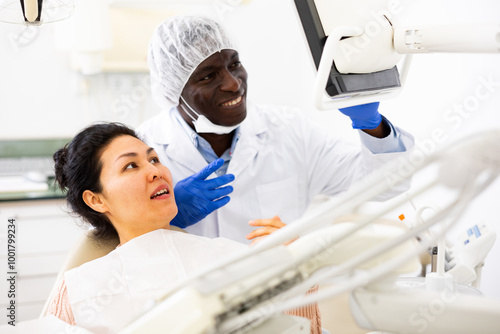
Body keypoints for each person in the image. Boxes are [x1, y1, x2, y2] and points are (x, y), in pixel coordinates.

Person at [137, 15, 415, 244]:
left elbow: (384, 186)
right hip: (193, 306)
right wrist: (166, 219)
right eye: (208, 76)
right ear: (175, 90)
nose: (233, 83)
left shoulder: (289, 130)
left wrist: (372, 126)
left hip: (281, 297)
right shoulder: (143, 148)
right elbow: (111, 248)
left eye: (234, 64)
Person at [47, 122, 322, 334]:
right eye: (131, 166)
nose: (156, 172)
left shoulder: (232, 259)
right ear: (96, 199)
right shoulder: (78, 290)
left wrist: (294, 267)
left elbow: (302, 328)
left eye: (153, 159)